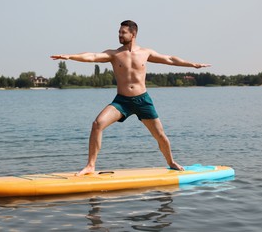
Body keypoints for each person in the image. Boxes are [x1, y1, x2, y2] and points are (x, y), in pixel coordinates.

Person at [51, 20, 211, 175]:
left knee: (160, 135)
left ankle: (171, 162)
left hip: (142, 100)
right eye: (119, 32)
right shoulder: (114, 54)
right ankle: (90, 166)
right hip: (122, 101)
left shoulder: (145, 53)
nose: (119, 35)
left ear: (133, 34)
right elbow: (92, 56)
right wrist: (70, 56)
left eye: (123, 32)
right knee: (97, 124)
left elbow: (169, 59)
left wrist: (192, 64)